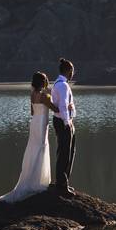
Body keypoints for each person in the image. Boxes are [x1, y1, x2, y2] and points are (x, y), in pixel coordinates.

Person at [0, 72, 60, 203]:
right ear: (43, 82)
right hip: (42, 123)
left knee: (33, 148)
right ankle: (39, 182)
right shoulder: (44, 96)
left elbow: (32, 112)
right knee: (41, 148)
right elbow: (56, 109)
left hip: (34, 122)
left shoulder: (33, 95)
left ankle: (31, 179)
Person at [51, 58, 77, 195]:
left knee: (69, 151)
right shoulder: (63, 85)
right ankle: (61, 184)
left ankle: (64, 181)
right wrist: (68, 123)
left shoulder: (60, 83)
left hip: (63, 121)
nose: (73, 73)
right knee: (65, 153)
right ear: (68, 71)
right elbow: (62, 106)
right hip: (63, 122)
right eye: (72, 70)